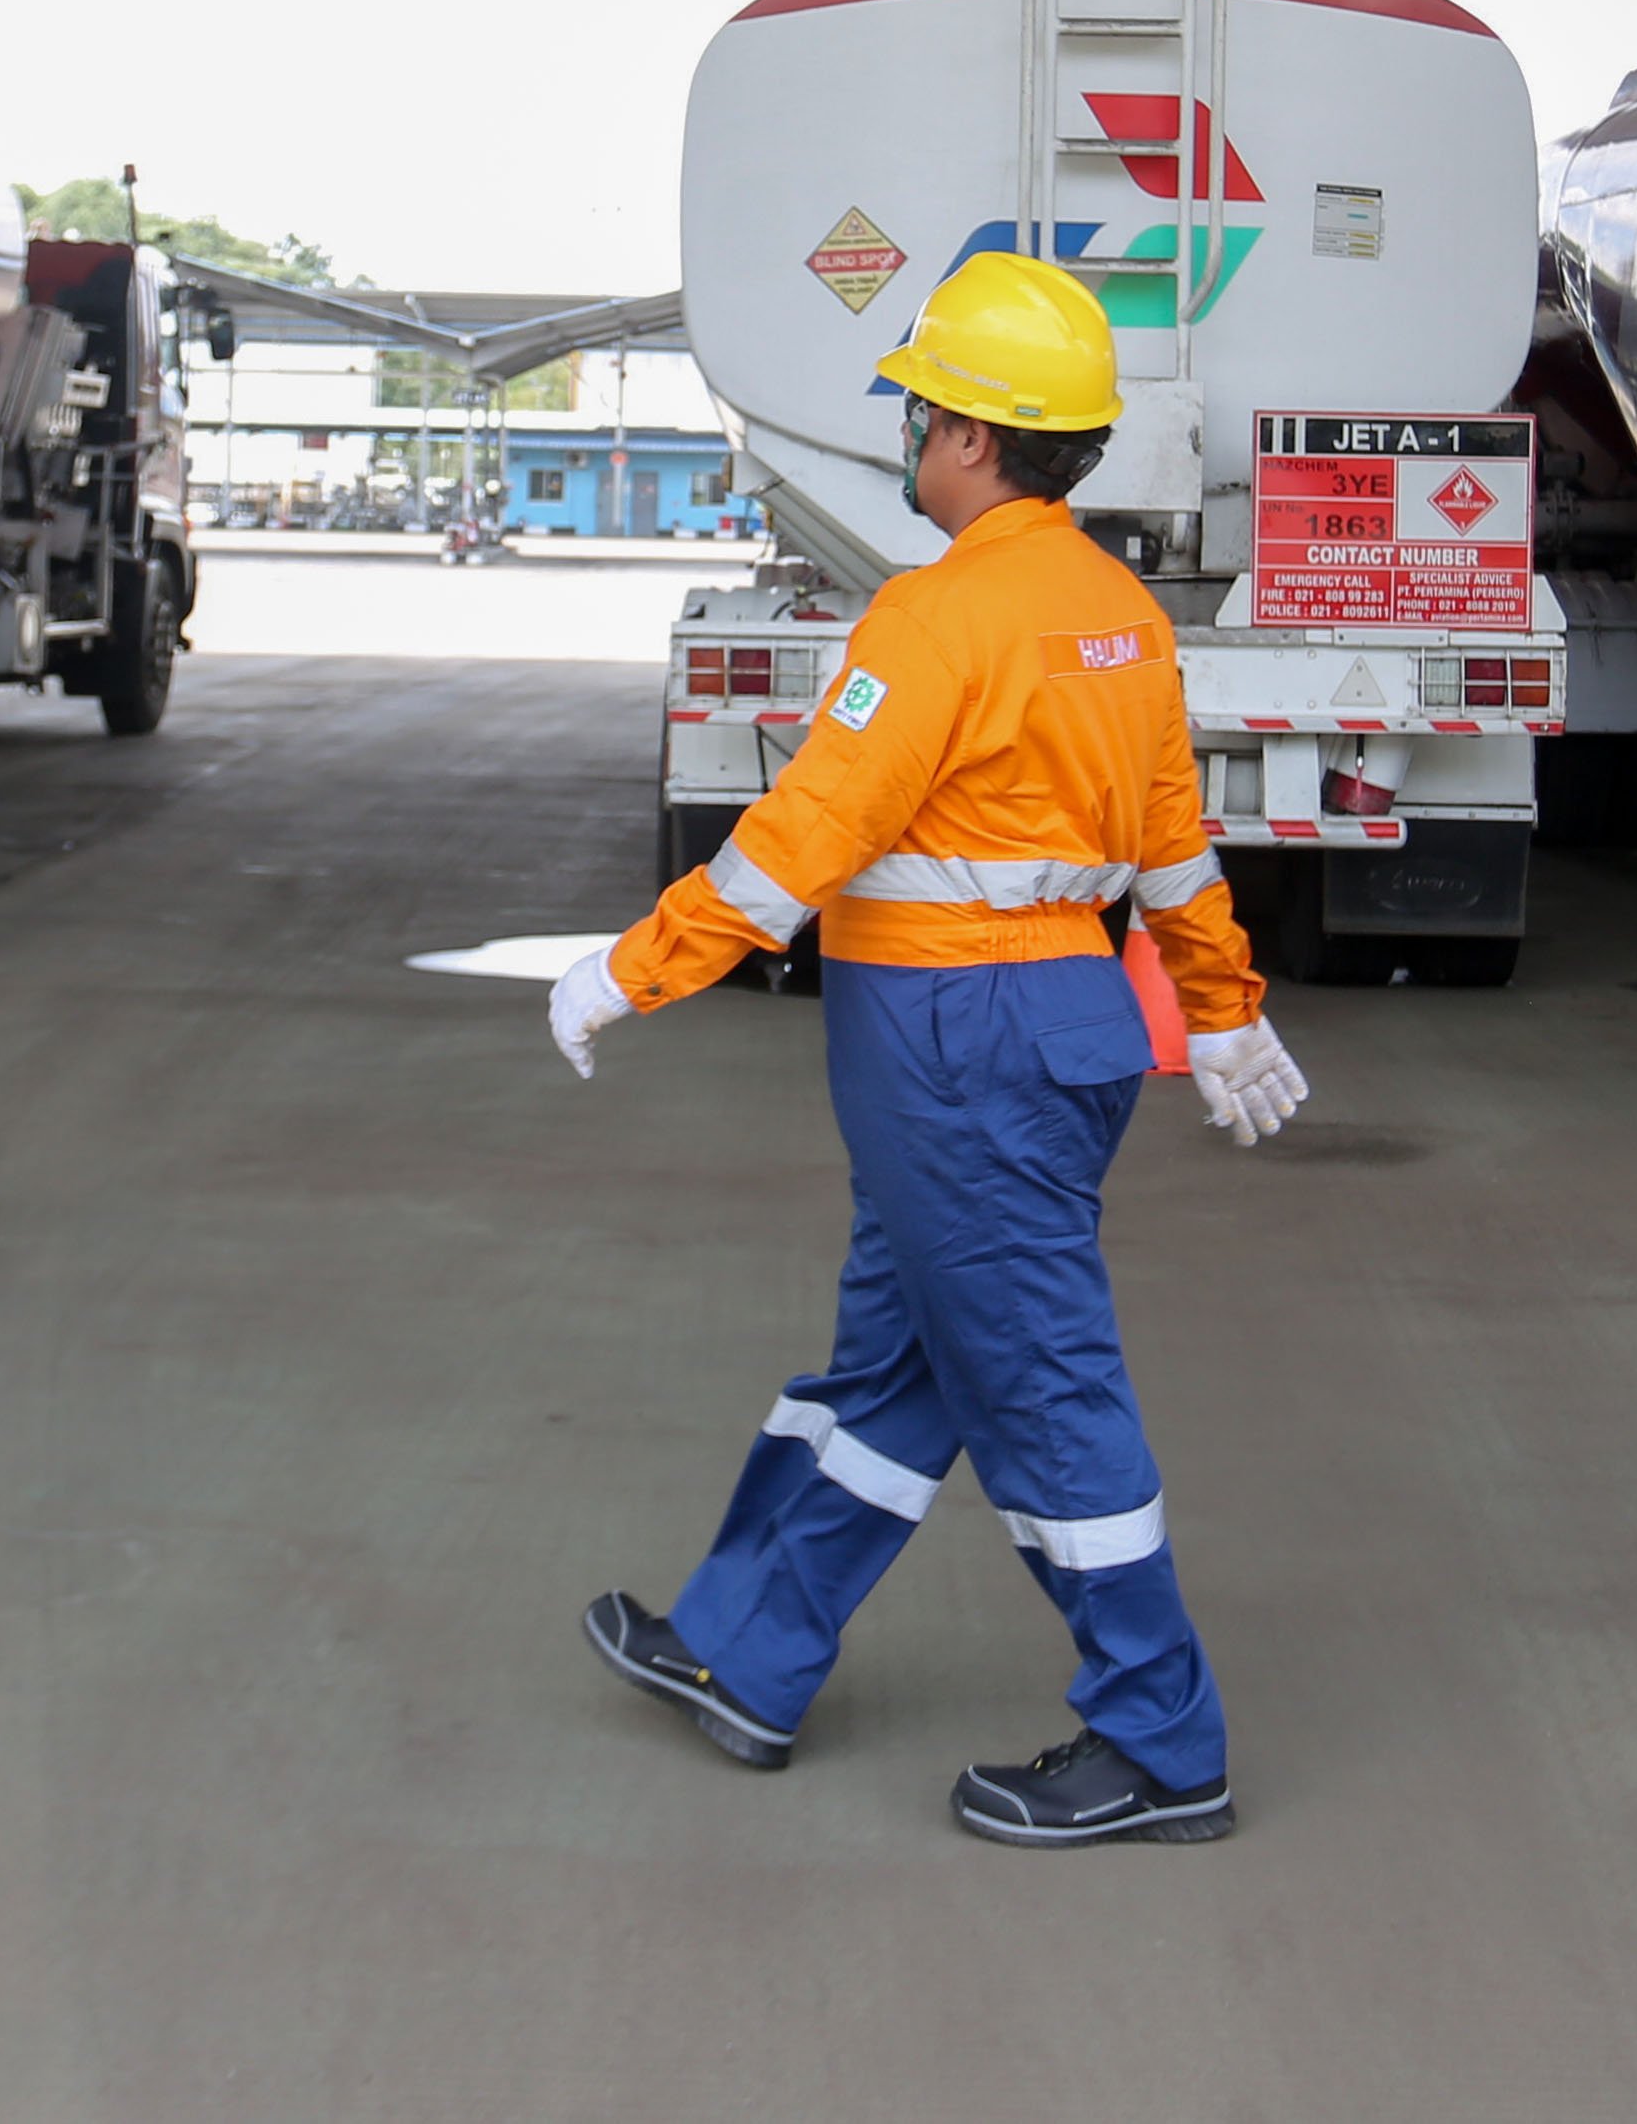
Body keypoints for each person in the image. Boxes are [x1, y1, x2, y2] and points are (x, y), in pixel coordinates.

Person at [545, 252, 1311, 1847]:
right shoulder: (1118, 616)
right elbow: (1173, 843)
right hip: (1060, 1026)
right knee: (893, 1364)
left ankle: (1165, 1744)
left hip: (952, 1042)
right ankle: (746, 1650)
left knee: (1038, 1386)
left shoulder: (939, 613)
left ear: (972, 437)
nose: (906, 430)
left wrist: (638, 966)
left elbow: (802, 835)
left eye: (919, 407)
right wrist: (1222, 1007)